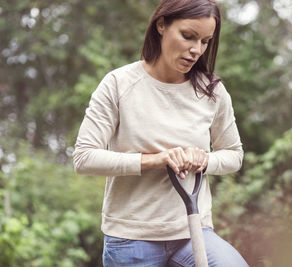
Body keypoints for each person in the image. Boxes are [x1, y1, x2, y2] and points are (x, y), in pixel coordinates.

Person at [72, 0, 248, 266]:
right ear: (162, 25)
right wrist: (157, 159)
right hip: (131, 238)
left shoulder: (212, 91)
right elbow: (84, 158)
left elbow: (234, 155)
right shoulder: (118, 84)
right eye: (188, 36)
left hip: (193, 232)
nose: (195, 50)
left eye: (205, 41)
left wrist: (204, 160)